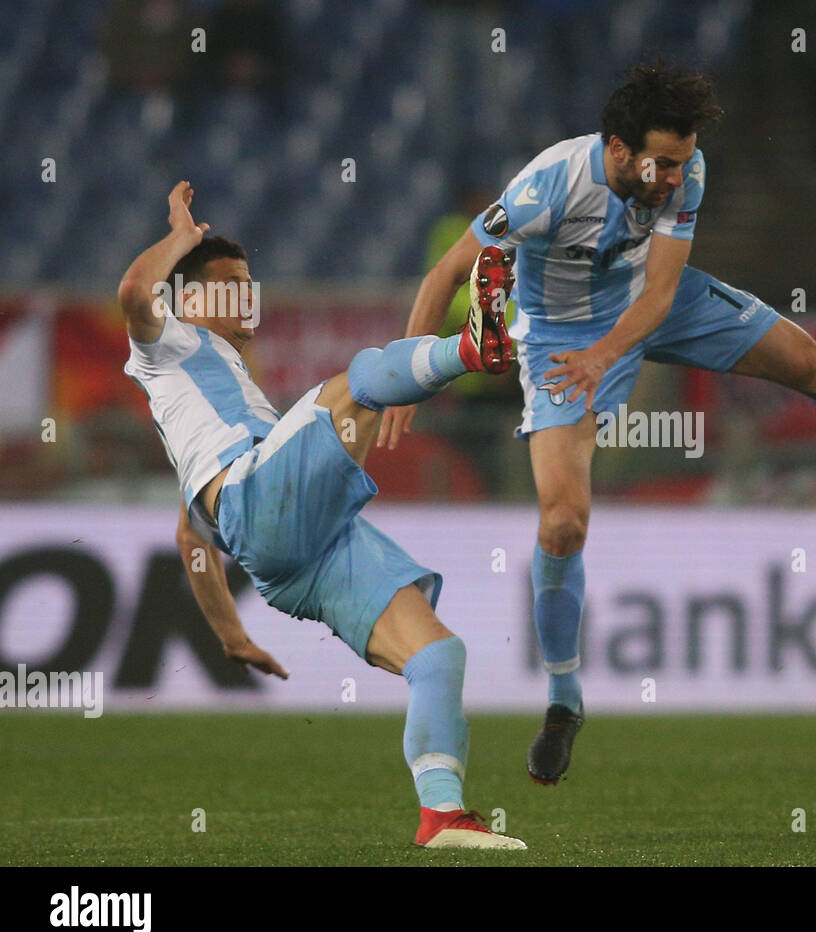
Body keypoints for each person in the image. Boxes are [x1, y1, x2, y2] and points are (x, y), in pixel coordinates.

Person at [381, 63, 816, 785]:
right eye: (659, 162)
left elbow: (662, 289)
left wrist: (610, 353)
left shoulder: (685, 169)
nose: (673, 175)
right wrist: (411, 374)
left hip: (656, 308)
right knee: (562, 524)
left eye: (680, 160)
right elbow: (446, 272)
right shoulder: (548, 185)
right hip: (562, 342)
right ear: (615, 148)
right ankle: (564, 700)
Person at [120, 181, 524, 849]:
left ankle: (442, 815)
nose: (245, 297)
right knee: (358, 381)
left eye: (248, 284)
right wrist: (182, 238)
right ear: (186, 297)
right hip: (261, 504)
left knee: (437, 656)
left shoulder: (217, 392)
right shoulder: (164, 343)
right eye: (227, 285)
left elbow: (191, 536)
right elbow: (134, 294)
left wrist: (231, 637)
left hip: (298, 556)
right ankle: (472, 352)